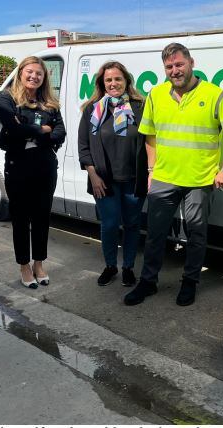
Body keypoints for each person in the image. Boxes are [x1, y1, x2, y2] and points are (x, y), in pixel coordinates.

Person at [124, 43, 223, 307]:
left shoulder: (215, 95)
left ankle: (190, 283)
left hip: (199, 181)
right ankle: (148, 282)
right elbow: (150, 136)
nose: (175, 71)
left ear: (192, 63)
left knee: (196, 235)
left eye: (179, 64)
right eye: (169, 67)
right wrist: (150, 170)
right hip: (164, 178)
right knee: (155, 235)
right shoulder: (156, 95)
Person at [0, 56, 66, 289]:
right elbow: (13, 129)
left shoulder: (50, 103)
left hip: (45, 167)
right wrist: (43, 129)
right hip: (18, 167)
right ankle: (24, 266)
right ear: (21, 72)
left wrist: (31, 131)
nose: (34, 76)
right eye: (30, 71)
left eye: (39, 73)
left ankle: (39, 263)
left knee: (41, 218)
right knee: (20, 219)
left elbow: (60, 133)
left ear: (44, 78)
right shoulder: (7, 98)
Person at [78, 61, 148, 287]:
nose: (113, 83)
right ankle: (110, 266)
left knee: (132, 224)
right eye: (109, 80)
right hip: (103, 181)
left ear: (126, 80)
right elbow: (83, 146)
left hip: (133, 179)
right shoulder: (93, 109)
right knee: (109, 225)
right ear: (102, 83)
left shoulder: (140, 106)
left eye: (118, 79)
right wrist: (93, 175)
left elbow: (151, 141)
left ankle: (128, 267)